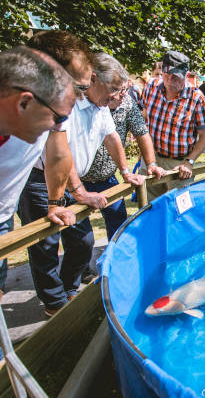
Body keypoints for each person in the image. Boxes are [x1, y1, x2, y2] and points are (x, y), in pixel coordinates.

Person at [18, 52, 145, 316]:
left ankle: (68, 287)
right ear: (94, 79)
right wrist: (80, 191)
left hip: (70, 180)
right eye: (113, 89)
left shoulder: (100, 106)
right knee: (46, 244)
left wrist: (124, 171)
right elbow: (61, 155)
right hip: (42, 180)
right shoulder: (68, 104)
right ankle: (54, 303)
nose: (116, 96)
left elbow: (112, 138)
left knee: (83, 242)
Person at [0, 46, 78, 299]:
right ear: (24, 102)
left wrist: (55, 204)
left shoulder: (26, 128)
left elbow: (58, 155)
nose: (59, 127)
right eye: (58, 118)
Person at [81, 80, 166, 242]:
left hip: (106, 177)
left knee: (118, 223)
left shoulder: (126, 103)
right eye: (119, 90)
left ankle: (115, 263)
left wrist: (151, 164)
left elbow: (141, 132)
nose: (124, 94)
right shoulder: (86, 102)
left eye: (125, 89)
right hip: (77, 180)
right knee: (81, 238)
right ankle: (81, 267)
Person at [140, 50, 205, 201]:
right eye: (166, 75)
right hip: (151, 159)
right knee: (149, 207)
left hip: (179, 165)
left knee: (179, 209)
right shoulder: (151, 87)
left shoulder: (197, 98)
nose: (170, 81)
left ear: (186, 76)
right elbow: (144, 118)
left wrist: (189, 162)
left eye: (176, 77)